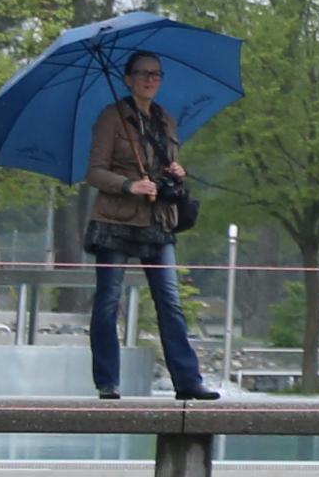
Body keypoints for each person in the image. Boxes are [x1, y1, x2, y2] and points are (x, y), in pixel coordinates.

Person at [83, 50, 218, 402]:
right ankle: (108, 381)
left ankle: (187, 380)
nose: (150, 79)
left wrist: (175, 172)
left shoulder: (166, 120)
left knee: (170, 301)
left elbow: (165, 166)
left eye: (156, 74)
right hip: (115, 221)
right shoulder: (111, 118)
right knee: (108, 301)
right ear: (128, 79)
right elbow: (94, 172)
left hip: (158, 221)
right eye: (143, 73)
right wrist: (129, 185)